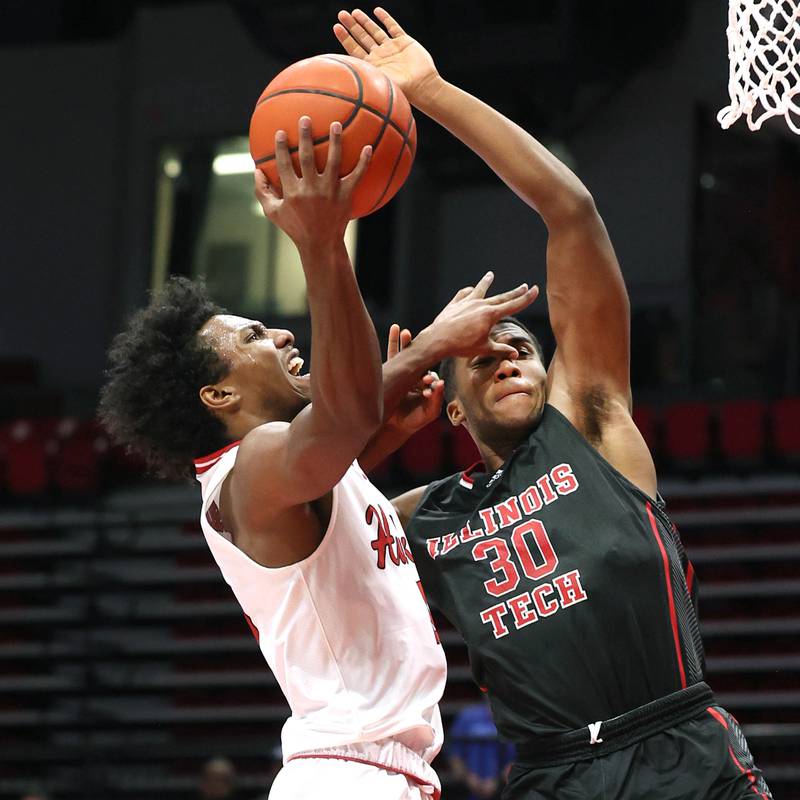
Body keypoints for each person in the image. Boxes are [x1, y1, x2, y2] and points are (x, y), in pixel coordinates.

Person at [333, 8, 772, 799]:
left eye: (522, 346)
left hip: (680, 749)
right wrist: (389, 403)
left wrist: (432, 92)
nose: (504, 352)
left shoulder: (591, 422)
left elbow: (571, 211)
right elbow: (305, 515)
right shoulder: (423, 518)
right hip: (551, 775)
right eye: (480, 354)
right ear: (454, 410)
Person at [99, 115, 535, 799]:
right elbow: (344, 413)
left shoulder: (279, 472)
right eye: (252, 335)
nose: (278, 332)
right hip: (350, 777)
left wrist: (382, 419)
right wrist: (325, 243)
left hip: (370, 774)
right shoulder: (255, 467)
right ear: (219, 392)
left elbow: (345, 440)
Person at [448, 701, 515, 800]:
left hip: (499, 788)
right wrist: (468, 778)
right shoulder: (467, 716)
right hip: (467, 788)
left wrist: (497, 782)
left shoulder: (508, 720)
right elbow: (455, 756)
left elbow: (512, 761)